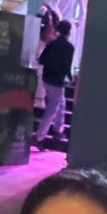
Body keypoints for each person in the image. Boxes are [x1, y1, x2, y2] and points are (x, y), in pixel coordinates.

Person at [33, 19, 75, 150]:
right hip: (57, 81)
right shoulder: (69, 47)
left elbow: (41, 60)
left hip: (47, 78)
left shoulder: (51, 44)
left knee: (61, 103)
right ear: (69, 32)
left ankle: (58, 130)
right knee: (52, 109)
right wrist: (70, 77)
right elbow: (67, 66)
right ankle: (39, 137)